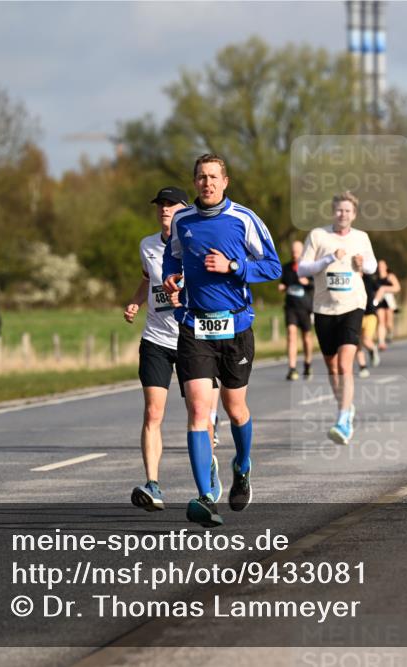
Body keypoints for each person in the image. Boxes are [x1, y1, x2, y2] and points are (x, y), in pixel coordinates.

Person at [162, 154, 281, 527]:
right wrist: (170, 277)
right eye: (200, 177)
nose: (207, 183)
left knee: (235, 410)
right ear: (194, 182)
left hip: (235, 327)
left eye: (213, 177)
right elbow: (172, 257)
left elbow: (273, 267)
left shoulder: (244, 219)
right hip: (194, 327)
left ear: (225, 181)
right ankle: (204, 498)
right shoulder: (183, 220)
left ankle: (242, 465)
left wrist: (233, 267)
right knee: (199, 412)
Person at [124, 186, 223, 512]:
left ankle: (207, 477)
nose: (164, 210)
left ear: (184, 209)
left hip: (194, 337)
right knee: (153, 412)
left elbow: (216, 285)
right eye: (160, 205)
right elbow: (147, 279)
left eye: (170, 205)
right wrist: (136, 302)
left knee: (200, 417)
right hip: (156, 338)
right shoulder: (146, 245)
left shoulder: (198, 241)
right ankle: (153, 485)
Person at [297, 191, 377, 444]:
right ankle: (346, 406)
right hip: (323, 309)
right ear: (333, 211)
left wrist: (363, 263)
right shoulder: (318, 236)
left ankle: (343, 418)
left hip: (353, 305)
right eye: (339, 210)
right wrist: (329, 258)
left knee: (345, 365)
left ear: (354, 214)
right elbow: (302, 268)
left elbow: (373, 266)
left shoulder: (361, 237)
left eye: (348, 211)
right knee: (332, 367)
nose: (343, 214)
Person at [278, 240, 314, 380]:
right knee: (291, 334)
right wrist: (282, 287)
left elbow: (316, 284)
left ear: (302, 252)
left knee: (306, 338)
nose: (294, 254)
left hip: (306, 308)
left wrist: (308, 283)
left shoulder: (308, 268)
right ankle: (292, 368)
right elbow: (284, 284)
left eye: (297, 252)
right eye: (293, 252)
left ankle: (307, 363)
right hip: (291, 307)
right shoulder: (286, 268)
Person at [374, 259, 401, 350]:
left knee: (388, 322)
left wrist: (385, 288)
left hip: (389, 301)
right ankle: (381, 342)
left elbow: (397, 288)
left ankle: (390, 332)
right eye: (379, 266)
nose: (380, 267)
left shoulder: (390, 276)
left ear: (386, 266)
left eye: (382, 265)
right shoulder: (375, 278)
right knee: (381, 321)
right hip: (379, 301)